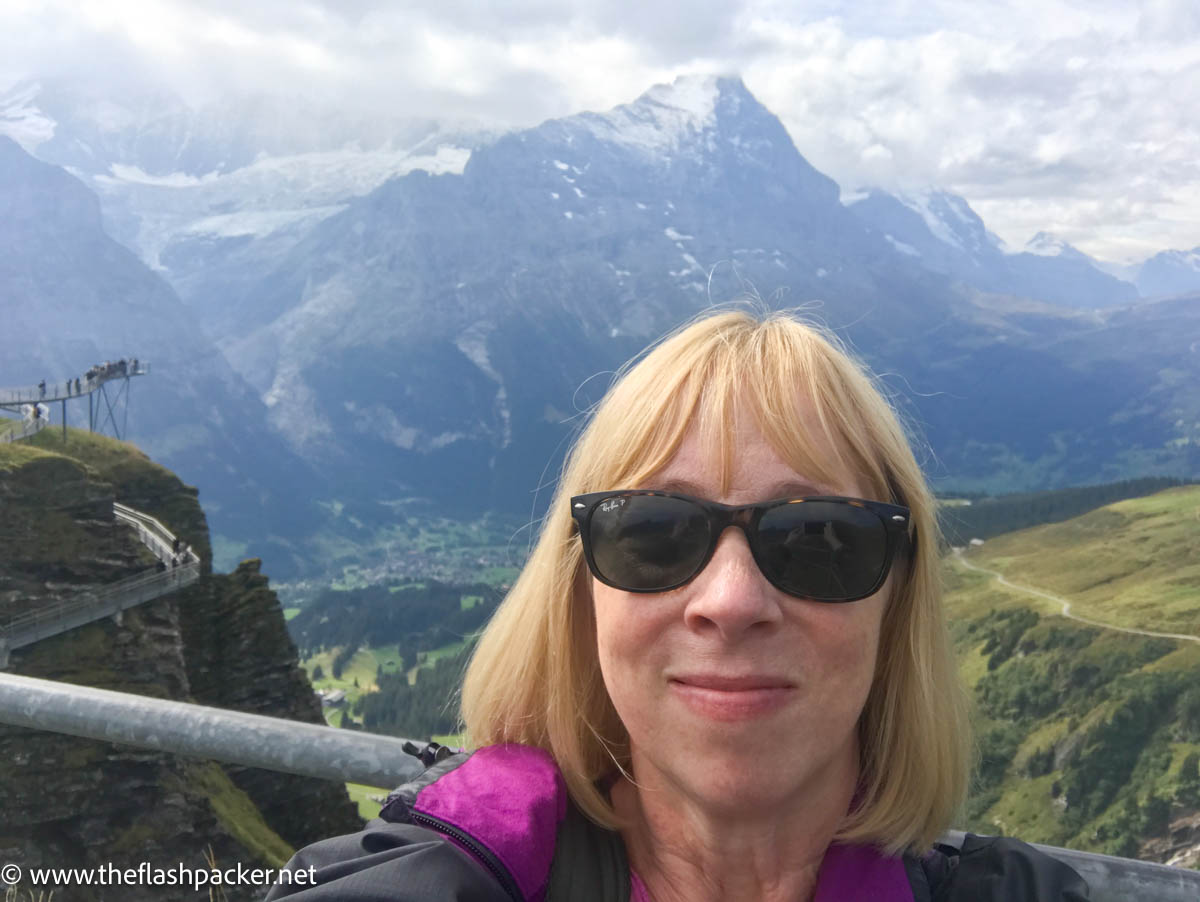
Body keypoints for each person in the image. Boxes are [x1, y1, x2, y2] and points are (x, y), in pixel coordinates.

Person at [266, 309, 1088, 901]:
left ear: (896, 599)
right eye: (653, 534)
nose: (731, 602)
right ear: (579, 591)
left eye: (822, 542)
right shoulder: (430, 880)